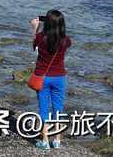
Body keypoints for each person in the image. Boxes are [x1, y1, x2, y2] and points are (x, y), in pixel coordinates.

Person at [32, 10, 71, 149]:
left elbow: (35, 48)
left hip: (43, 77)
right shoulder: (65, 40)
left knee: (43, 110)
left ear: (47, 23)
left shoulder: (40, 38)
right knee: (58, 109)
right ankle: (57, 140)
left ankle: (45, 141)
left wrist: (35, 29)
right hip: (59, 77)